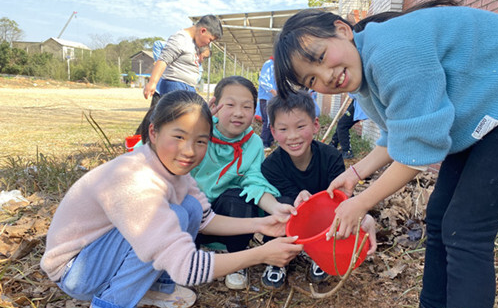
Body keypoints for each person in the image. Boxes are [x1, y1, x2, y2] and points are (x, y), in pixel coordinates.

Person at [272, 1, 498, 308]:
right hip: (486, 109)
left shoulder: (392, 52)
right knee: (441, 215)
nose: (326, 76)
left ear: (342, 30)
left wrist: (361, 202)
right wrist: (354, 174)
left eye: (321, 57)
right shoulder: (362, 78)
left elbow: (418, 150)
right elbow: (400, 134)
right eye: (312, 79)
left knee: (466, 227)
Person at [40, 90, 303, 308]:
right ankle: (109, 302)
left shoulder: (172, 169)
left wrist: (261, 224)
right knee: (174, 216)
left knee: (187, 208)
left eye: (201, 141)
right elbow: (186, 267)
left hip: (100, 255)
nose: (189, 151)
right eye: (178, 137)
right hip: (76, 271)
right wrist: (261, 255)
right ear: (153, 132)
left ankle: (156, 288)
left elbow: (205, 219)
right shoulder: (136, 180)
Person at [261, 90, 377, 289]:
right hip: (291, 221)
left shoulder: (331, 156)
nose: (293, 136)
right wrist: (300, 200)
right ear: (272, 131)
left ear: (315, 125)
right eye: (283, 129)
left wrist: (362, 217)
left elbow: (343, 197)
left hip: (326, 223)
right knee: (284, 205)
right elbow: (282, 199)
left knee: (338, 206)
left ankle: (321, 252)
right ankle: (277, 260)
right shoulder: (271, 165)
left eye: (300, 126)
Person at [191, 76, 297, 290]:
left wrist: (276, 208)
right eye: (230, 104)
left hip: (222, 218)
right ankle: (187, 256)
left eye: (247, 106)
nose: (239, 113)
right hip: (189, 213)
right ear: (214, 105)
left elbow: (254, 181)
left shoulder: (253, 143)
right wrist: (197, 124)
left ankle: (236, 259)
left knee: (238, 197)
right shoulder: (197, 132)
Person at [136, 44, 211, 138]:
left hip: (183, 89)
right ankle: (141, 137)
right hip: (167, 88)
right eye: (203, 56)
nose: (202, 60)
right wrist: (162, 64)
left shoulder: (197, 65)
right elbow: (158, 44)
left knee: (164, 115)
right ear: (198, 51)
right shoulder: (184, 48)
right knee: (160, 114)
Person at [143, 14, 222, 100]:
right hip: (176, 86)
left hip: (187, 87)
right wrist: (152, 83)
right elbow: (163, 60)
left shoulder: (193, 42)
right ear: (203, 31)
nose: (208, 43)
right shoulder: (180, 39)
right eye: (210, 40)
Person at [329, 94, 368, 159]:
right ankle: (333, 143)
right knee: (342, 124)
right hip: (356, 102)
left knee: (342, 125)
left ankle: (347, 151)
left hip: (360, 103)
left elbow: (354, 92)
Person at [257, 56, 277, 149]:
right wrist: (272, 91)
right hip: (267, 98)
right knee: (268, 120)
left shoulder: (277, 66)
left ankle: (270, 141)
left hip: (273, 98)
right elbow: (263, 80)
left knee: (273, 120)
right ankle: (264, 143)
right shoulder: (269, 64)